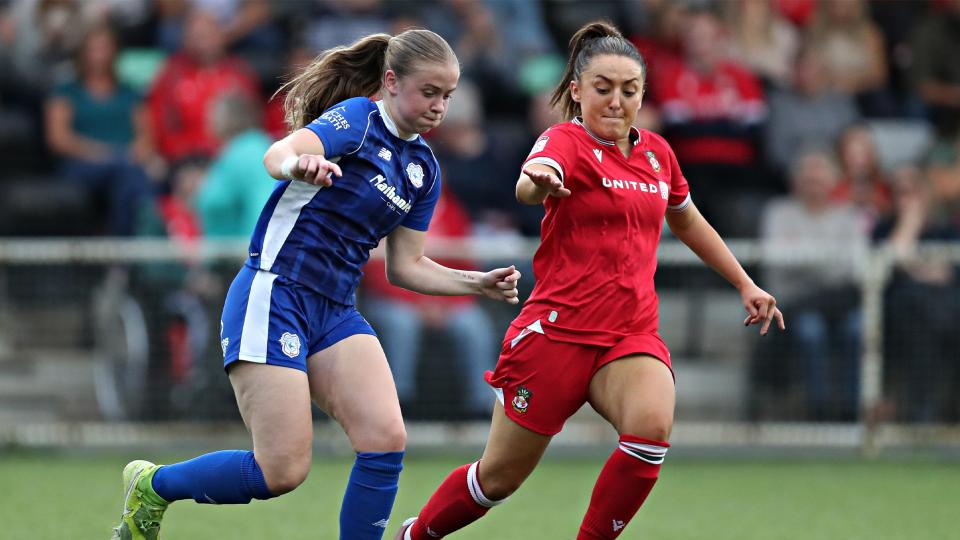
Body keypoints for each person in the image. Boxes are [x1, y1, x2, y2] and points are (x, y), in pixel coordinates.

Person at [111, 28, 522, 540]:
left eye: (448, 96)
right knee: (280, 471)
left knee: (386, 437)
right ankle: (154, 485)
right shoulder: (356, 120)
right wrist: (298, 163)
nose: (441, 107)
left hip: (334, 311)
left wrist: (475, 283)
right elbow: (276, 154)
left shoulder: (423, 169)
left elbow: (407, 266)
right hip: (275, 293)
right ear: (391, 82)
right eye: (430, 92)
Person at [394, 21, 784, 540]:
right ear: (577, 91)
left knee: (650, 430)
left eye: (629, 90)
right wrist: (541, 182)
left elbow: (686, 218)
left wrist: (744, 282)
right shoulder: (564, 141)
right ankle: (415, 535)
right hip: (556, 335)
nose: (617, 101)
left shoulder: (657, 155)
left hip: (629, 334)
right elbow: (528, 184)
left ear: (644, 94)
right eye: (603, 88)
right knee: (498, 479)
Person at [44, 23, 155, 236]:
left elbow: (145, 136)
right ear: (82, 54)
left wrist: (136, 153)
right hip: (81, 164)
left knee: (131, 176)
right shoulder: (66, 91)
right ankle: (128, 254)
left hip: (125, 164)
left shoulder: (129, 92)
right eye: (93, 49)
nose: (99, 55)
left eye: (105, 48)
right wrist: (105, 155)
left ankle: (126, 253)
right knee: (129, 173)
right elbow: (58, 139)